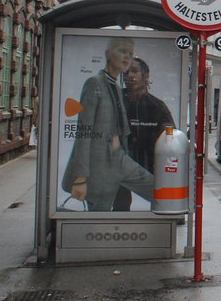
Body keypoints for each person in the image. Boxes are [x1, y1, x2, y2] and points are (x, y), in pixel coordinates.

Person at [61, 37, 154, 212]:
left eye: (130, 53)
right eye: (122, 51)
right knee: (99, 214)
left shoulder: (116, 87)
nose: (127, 57)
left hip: (119, 159)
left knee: (159, 191)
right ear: (108, 54)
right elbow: (84, 132)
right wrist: (80, 178)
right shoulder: (94, 83)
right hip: (99, 164)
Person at [112, 57, 175, 211]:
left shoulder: (156, 106)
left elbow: (169, 139)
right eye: (125, 72)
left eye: (134, 71)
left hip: (147, 165)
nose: (129, 76)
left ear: (146, 76)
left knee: (158, 203)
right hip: (120, 165)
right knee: (120, 205)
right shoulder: (116, 101)